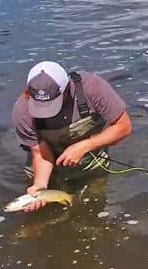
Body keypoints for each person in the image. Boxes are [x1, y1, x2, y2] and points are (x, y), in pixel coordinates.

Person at [11, 61, 133, 212]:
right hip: (48, 170)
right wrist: (40, 187)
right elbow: (40, 154)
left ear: (67, 88)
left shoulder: (93, 88)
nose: (46, 111)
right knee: (45, 217)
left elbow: (124, 127)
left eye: (51, 104)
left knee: (94, 210)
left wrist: (85, 146)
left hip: (91, 165)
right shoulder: (22, 110)